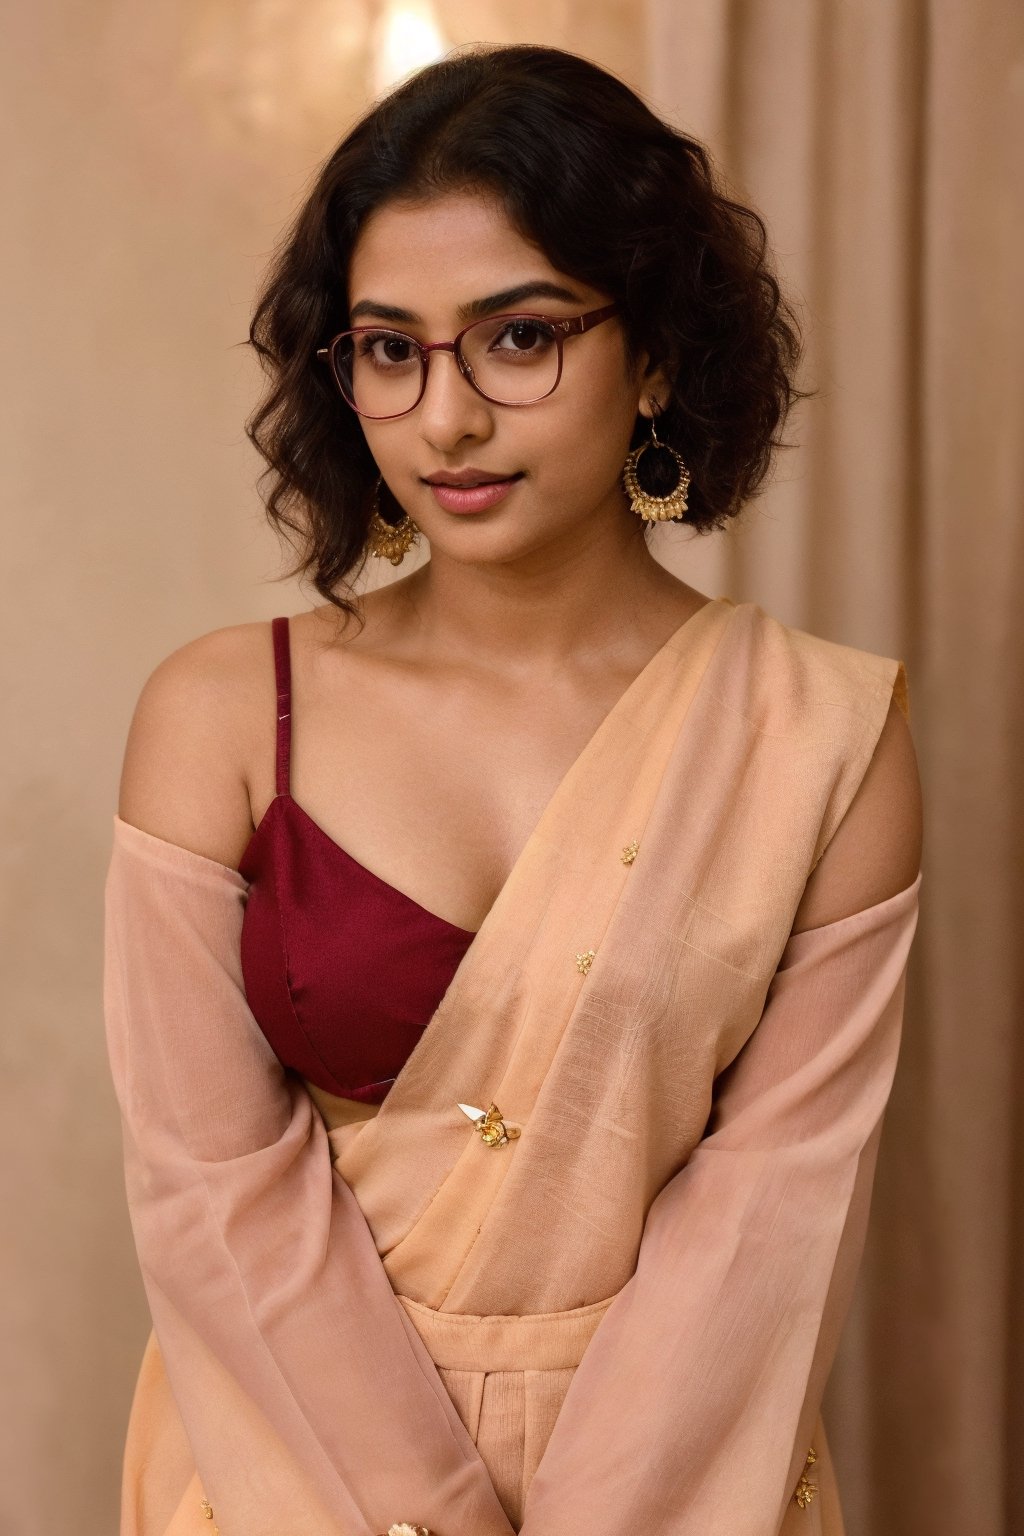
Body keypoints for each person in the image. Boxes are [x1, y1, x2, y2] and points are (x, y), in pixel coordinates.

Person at [104, 42, 923, 1536]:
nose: (448, 418)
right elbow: (212, 1198)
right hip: (285, 1471)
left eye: (520, 337)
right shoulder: (223, 715)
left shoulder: (821, 739)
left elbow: (766, 1230)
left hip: (690, 1489)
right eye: (389, 347)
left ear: (658, 349)